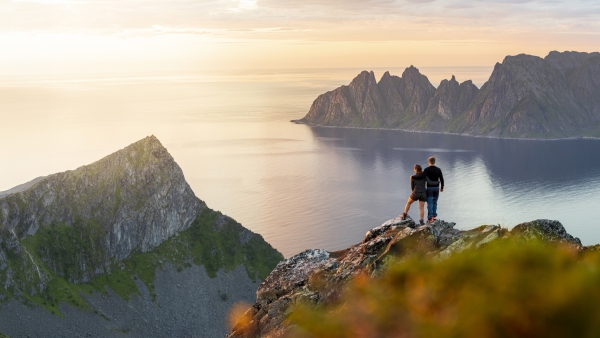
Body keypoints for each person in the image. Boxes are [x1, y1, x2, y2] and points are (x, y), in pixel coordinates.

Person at [423, 156, 444, 223]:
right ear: (434, 162)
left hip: (429, 188)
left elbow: (423, 179)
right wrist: (442, 187)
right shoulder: (438, 169)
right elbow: (441, 179)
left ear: (428, 162)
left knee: (429, 203)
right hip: (436, 188)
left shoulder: (426, 170)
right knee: (435, 202)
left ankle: (430, 218)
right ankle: (434, 216)